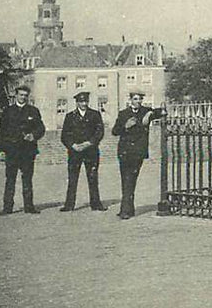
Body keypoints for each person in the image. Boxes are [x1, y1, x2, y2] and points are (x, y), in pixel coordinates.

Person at [111, 91, 166, 219]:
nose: (138, 102)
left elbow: (161, 112)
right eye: (135, 99)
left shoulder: (145, 111)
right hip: (125, 151)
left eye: (140, 99)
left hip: (138, 152)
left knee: (131, 179)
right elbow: (115, 131)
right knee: (126, 179)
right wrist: (125, 126)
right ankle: (126, 209)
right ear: (130, 100)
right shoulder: (123, 113)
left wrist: (150, 114)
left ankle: (126, 210)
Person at [0, 85, 46, 215]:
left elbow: (41, 128)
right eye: (21, 95)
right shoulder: (8, 111)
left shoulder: (33, 111)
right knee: (10, 179)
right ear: (16, 95)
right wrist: (0, 150)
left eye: (25, 95)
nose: (23, 97)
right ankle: (7, 207)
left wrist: (33, 135)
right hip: (12, 150)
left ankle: (29, 207)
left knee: (27, 179)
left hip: (28, 151)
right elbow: (1, 132)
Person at [59, 90, 106, 212]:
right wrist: (73, 145)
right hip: (75, 152)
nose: (84, 104)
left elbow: (100, 131)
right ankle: (69, 205)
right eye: (81, 101)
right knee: (72, 178)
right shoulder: (70, 116)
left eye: (85, 101)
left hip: (91, 151)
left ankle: (96, 204)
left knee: (93, 177)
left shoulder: (95, 114)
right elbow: (64, 135)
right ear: (77, 102)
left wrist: (89, 143)